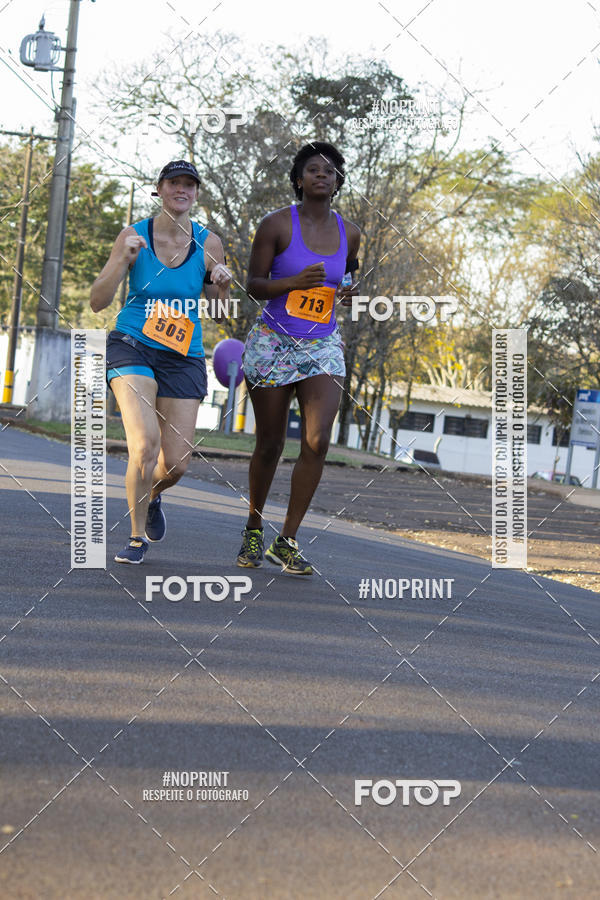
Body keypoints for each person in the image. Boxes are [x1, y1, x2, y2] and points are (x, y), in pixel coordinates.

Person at [90, 160, 231, 563]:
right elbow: (97, 301)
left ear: (197, 194)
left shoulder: (210, 243)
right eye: (174, 183)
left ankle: (152, 497)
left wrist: (221, 286)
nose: (182, 190)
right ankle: (136, 539)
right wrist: (123, 259)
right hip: (132, 344)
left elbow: (219, 315)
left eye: (190, 184)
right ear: (160, 189)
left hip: (183, 355)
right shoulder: (134, 235)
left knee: (177, 464)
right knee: (145, 444)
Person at [237, 141, 360, 575]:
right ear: (298, 179)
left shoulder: (352, 232)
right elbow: (253, 284)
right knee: (269, 444)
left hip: (321, 345)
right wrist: (291, 282)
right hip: (274, 341)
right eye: (313, 169)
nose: (321, 176)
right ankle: (254, 527)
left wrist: (348, 290)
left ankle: (286, 540)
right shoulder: (275, 225)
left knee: (317, 441)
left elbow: (349, 273)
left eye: (329, 170)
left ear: (338, 181)